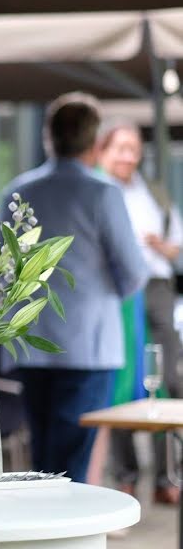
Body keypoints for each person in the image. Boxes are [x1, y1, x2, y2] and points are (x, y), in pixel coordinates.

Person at [0, 93, 147, 483]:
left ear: (48, 137)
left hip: (29, 344)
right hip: (89, 345)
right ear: (96, 143)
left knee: (43, 458)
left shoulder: (18, 190)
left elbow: (0, 272)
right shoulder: (103, 193)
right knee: (73, 467)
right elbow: (134, 273)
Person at [99, 120, 183, 503]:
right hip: (117, 292)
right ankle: (126, 474)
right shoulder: (97, 190)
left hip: (157, 287)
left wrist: (162, 246)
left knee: (167, 380)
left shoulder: (153, 192)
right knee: (123, 380)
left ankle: (167, 478)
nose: (128, 156)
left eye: (134, 149)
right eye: (121, 147)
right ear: (103, 150)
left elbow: (177, 245)